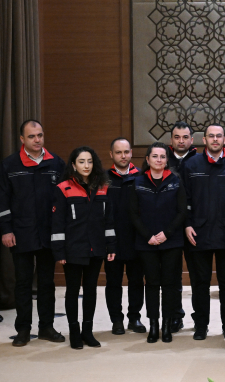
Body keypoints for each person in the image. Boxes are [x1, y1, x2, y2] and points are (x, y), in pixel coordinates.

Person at [0, 119, 66, 347]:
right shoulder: (9, 165)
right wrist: (6, 229)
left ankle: (46, 326)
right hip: (21, 233)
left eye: (40, 135)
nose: (37, 140)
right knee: (23, 283)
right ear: (22, 139)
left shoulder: (56, 163)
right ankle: (23, 330)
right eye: (31, 136)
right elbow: (3, 201)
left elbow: (65, 198)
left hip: (48, 234)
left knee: (47, 283)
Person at [182, 124, 225, 340]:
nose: (215, 139)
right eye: (211, 136)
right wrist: (187, 224)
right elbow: (184, 200)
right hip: (197, 234)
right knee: (200, 282)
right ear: (204, 140)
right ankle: (201, 326)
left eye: (219, 136)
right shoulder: (191, 165)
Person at [51, 147, 116, 349]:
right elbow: (57, 223)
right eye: (81, 161)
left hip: (96, 249)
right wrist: (59, 251)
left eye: (89, 161)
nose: (86, 165)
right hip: (72, 249)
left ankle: (87, 331)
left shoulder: (103, 187)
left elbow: (108, 220)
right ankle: (74, 332)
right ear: (73, 165)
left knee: (90, 291)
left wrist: (111, 245)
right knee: (72, 291)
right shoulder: (63, 188)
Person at [129, 142, 187, 344]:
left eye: (163, 157)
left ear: (166, 161)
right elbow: (133, 215)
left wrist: (167, 234)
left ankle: (167, 325)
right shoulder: (137, 182)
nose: (159, 160)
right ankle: (153, 325)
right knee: (152, 284)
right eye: (155, 156)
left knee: (170, 284)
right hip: (147, 243)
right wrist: (148, 236)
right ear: (147, 160)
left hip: (171, 241)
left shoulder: (176, 181)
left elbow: (182, 211)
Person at [104, 137, 145, 335]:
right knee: (113, 283)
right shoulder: (103, 179)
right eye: (118, 152)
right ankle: (116, 320)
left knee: (137, 282)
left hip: (136, 240)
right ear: (111, 155)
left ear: (131, 153)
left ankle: (134, 318)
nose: (123, 156)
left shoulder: (141, 177)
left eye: (126, 152)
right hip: (112, 242)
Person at [166, 120, 196, 331]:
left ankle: (198, 317)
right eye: (177, 137)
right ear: (171, 140)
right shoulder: (160, 158)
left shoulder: (199, 161)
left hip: (193, 226)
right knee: (172, 275)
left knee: (196, 275)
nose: (181, 141)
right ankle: (175, 316)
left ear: (192, 140)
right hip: (170, 227)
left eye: (185, 137)